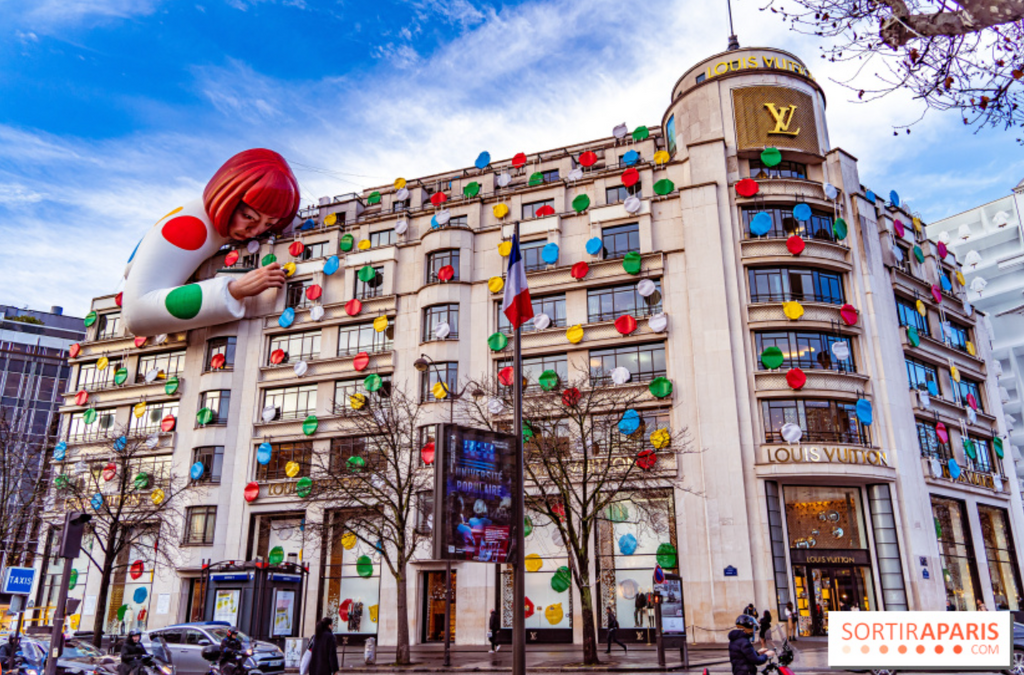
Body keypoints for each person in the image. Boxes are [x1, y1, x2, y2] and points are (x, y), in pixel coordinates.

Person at [122, 148, 300, 337]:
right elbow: (136, 312)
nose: (255, 231)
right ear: (228, 199)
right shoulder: (189, 230)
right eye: (248, 216)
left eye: (268, 224)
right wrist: (234, 290)